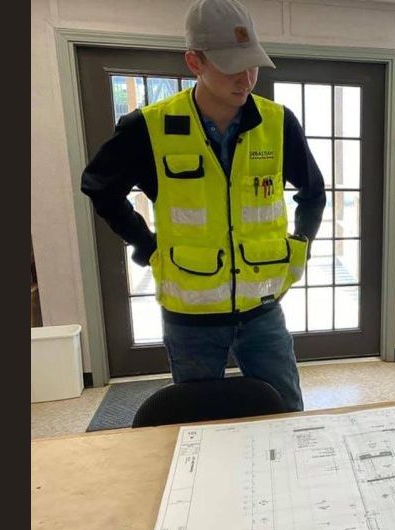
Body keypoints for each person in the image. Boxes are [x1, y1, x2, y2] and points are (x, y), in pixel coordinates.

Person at [80, 0, 325, 412]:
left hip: (262, 311)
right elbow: (99, 186)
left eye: (253, 64)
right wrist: (146, 244)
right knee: (196, 419)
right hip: (190, 317)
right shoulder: (150, 126)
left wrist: (299, 246)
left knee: (285, 414)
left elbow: (313, 193)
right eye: (231, 65)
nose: (246, 78)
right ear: (195, 61)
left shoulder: (278, 123)